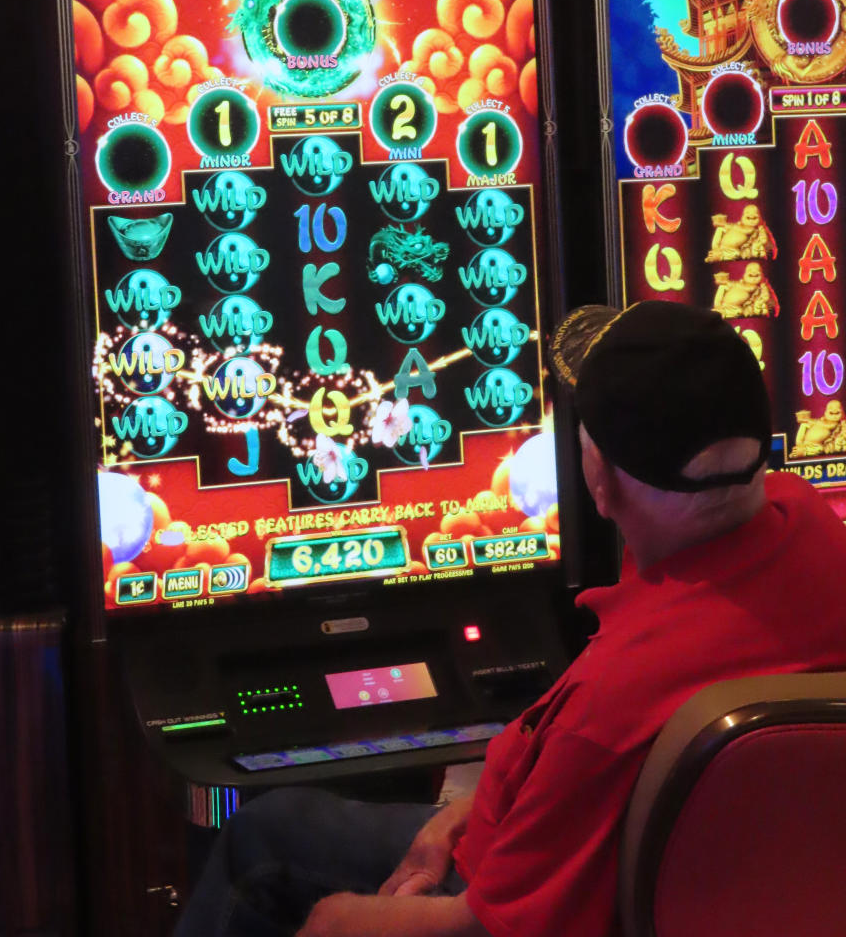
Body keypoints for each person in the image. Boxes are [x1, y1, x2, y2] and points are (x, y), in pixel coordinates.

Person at [174, 301, 846, 937]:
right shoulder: (810, 524)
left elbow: (487, 928)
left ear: (602, 484)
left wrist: (346, 918)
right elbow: (582, 787)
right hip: (685, 873)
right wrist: (485, 808)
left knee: (260, 838)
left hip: (515, 896)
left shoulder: (611, 703)